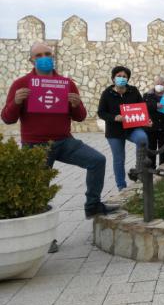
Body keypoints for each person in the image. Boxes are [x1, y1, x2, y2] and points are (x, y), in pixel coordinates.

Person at [1, 42, 117, 224]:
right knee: (39, 190)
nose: (43, 58)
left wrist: (76, 104)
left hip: (64, 141)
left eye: (47, 54)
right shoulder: (21, 84)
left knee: (97, 160)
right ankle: (42, 234)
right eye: (38, 55)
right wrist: (16, 102)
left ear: (53, 57)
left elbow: (80, 117)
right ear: (31, 59)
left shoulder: (66, 84)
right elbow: (8, 119)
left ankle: (93, 206)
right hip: (35, 146)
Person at [97, 66, 149, 191]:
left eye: (124, 76)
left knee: (142, 138)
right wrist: (115, 117)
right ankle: (121, 186)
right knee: (119, 159)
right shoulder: (107, 93)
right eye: (119, 76)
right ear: (113, 78)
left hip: (132, 128)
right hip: (114, 131)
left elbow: (142, 107)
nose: (122, 78)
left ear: (128, 79)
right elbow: (101, 112)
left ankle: (140, 170)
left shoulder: (133, 91)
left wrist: (147, 119)